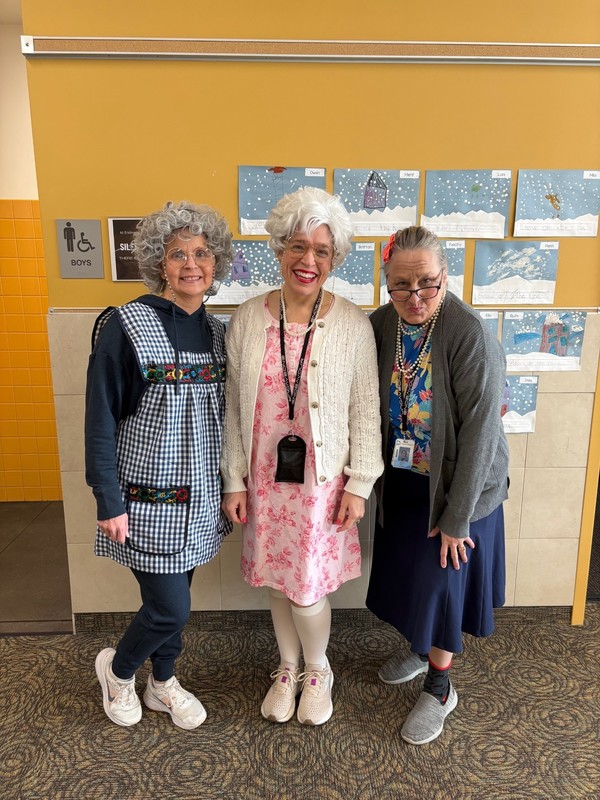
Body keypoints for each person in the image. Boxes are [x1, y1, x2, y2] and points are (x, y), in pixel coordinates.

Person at [221, 187, 383, 726]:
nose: (308, 261)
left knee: (307, 584)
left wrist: (360, 485)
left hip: (322, 484)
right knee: (277, 577)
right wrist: (234, 479)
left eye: (321, 250)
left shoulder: (353, 324)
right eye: (297, 246)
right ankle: (287, 666)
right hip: (267, 481)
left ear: (335, 258)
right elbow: (235, 407)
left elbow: (365, 409)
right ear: (278, 249)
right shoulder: (247, 318)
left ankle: (318, 669)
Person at [85, 200, 233, 729]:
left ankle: (163, 680)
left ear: (216, 264)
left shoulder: (219, 334)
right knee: (170, 608)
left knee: (179, 595)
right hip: (144, 500)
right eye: (177, 254)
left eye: (201, 253)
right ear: (158, 264)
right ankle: (119, 671)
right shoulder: (125, 324)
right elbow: (100, 417)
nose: (191, 264)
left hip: (202, 498)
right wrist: (108, 498)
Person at [367, 226, 508, 745]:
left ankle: (441, 684)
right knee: (408, 576)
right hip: (406, 477)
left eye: (427, 281)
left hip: (458, 486)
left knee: (441, 581)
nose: (416, 296)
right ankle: (418, 644)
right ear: (386, 283)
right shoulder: (380, 324)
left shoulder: (467, 330)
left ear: (445, 275)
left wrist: (456, 519)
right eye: (401, 285)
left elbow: (481, 436)